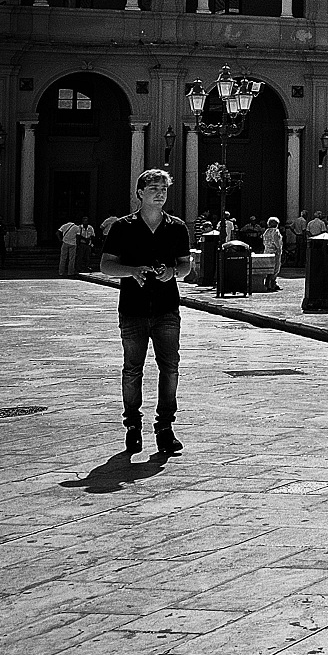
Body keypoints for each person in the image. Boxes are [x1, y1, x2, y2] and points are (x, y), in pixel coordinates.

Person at [99, 168, 193, 456]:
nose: (160, 193)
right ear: (139, 193)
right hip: (133, 309)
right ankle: (133, 426)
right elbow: (106, 265)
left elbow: (186, 266)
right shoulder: (123, 227)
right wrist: (132, 271)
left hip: (167, 309)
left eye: (163, 188)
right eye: (153, 188)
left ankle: (165, 427)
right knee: (132, 370)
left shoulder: (177, 227)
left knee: (171, 369)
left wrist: (172, 273)